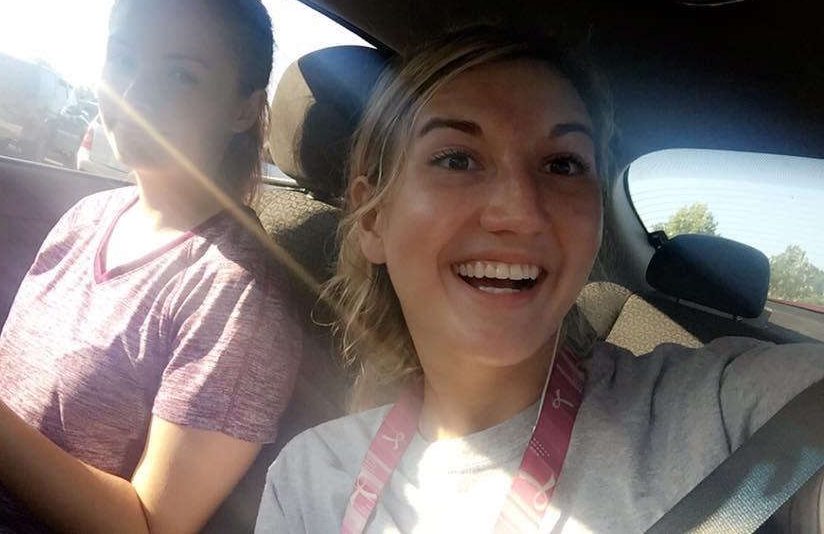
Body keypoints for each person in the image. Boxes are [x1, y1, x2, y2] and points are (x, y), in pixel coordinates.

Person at [254, 26, 824, 533]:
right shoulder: (309, 478)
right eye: (457, 159)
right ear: (374, 219)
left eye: (562, 165)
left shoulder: (717, 413)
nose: (521, 211)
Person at [0, 0, 302, 532]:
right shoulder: (89, 216)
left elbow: (149, 526)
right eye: (123, 58)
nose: (134, 94)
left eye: (181, 75)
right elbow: (5, 400)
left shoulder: (237, 296)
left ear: (243, 110)